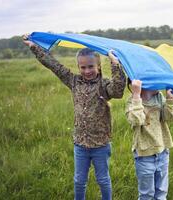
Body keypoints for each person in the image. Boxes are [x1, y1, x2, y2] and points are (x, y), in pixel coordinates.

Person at [23, 34, 126, 200]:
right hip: (80, 145)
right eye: (83, 67)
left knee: (103, 180)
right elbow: (54, 65)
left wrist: (115, 65)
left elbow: (118, 91)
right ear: (79, 67)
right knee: (79, 181)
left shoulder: (105, 85)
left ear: (99, 66)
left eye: (91, 66)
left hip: (100, 144)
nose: (87, 71)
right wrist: (34, 46)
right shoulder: (74, 81)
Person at [125, 79, 173, 200]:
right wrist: (137, 96)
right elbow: (136, 120)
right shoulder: (132, 101)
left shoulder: (159, 97)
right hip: (144, 156)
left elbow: (170, 117)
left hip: (162, 153)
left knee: (161, 193)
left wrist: (170, 99)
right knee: (147, 194)